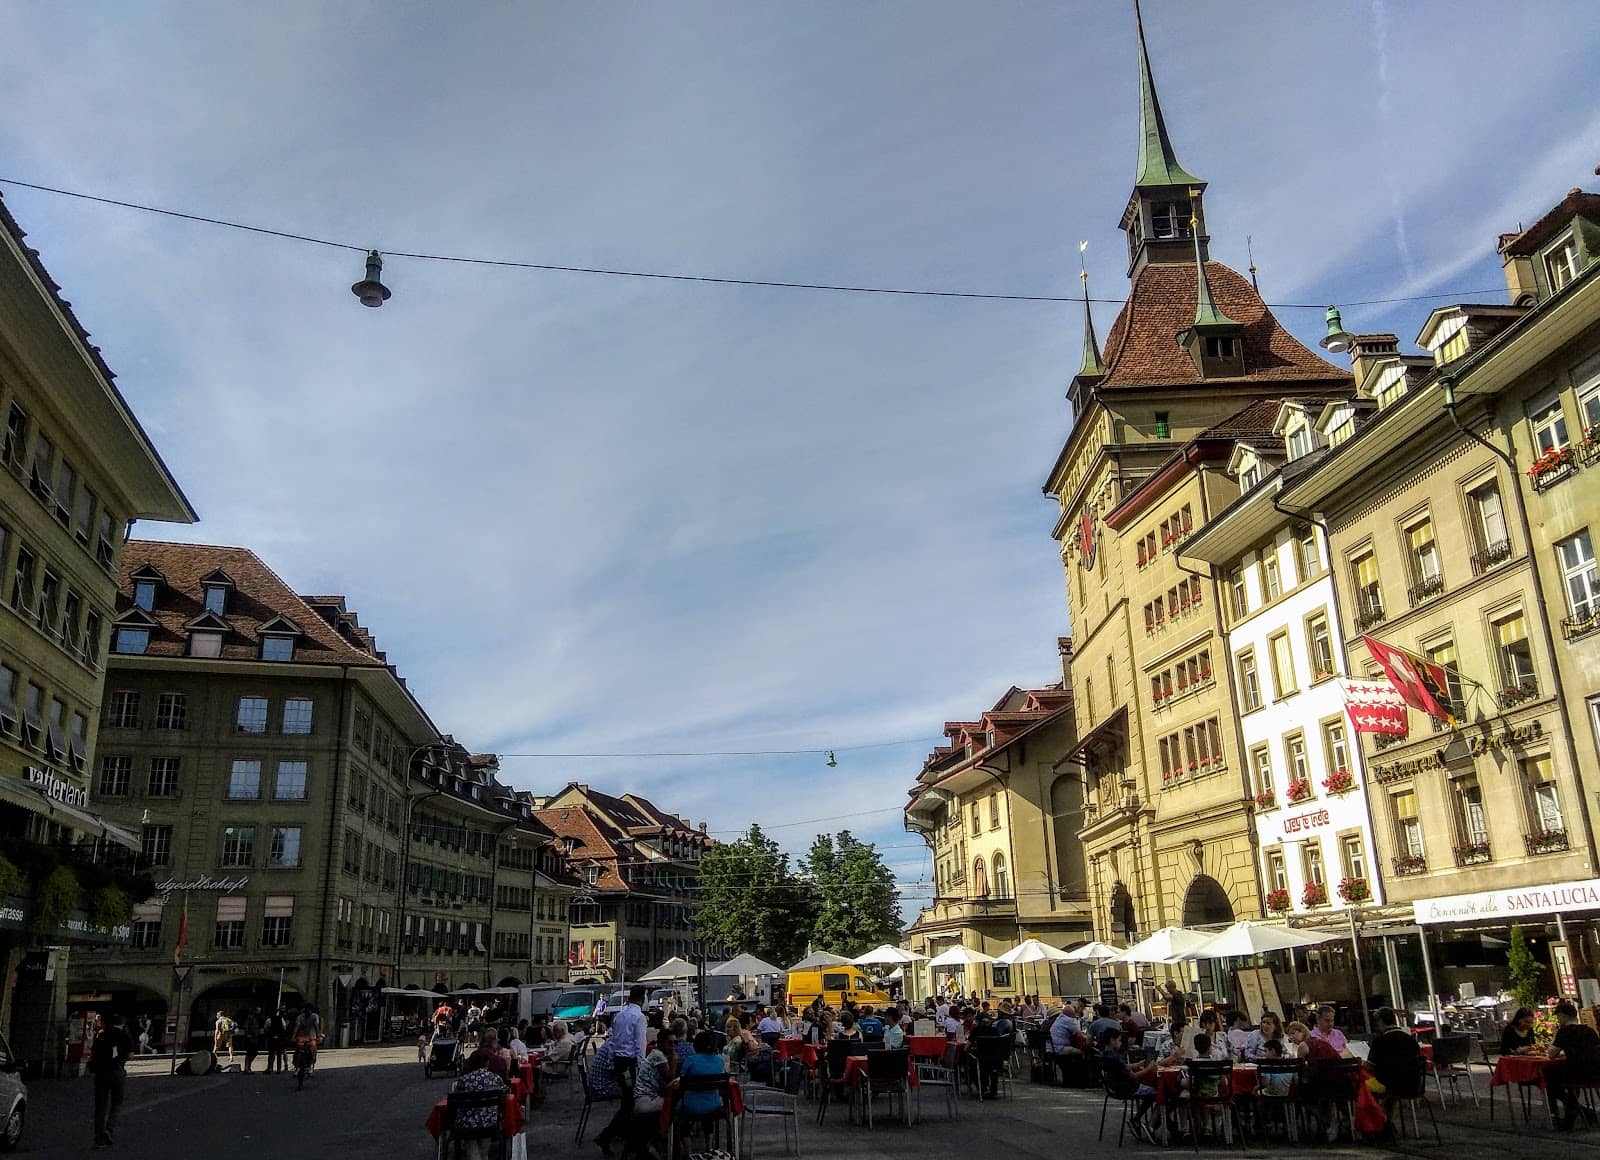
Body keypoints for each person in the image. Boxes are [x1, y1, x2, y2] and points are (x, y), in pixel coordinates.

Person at [595, 985, 648, 1157]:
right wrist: (642, 1068)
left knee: (628, 1102)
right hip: (631, 1063)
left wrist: (612, 1062)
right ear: (643, 998)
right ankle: (611, 1136)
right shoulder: (639, 1017)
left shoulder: (619, 1016)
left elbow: (613, 1041)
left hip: (619, 1062)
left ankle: (624, 1137)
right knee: (631, 1103)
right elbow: (640, 1045)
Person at [1547, 999, 1600, 1130]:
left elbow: (1551, 1053)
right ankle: (1578, 1111)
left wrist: (1555, 1035)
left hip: (1575, 1073)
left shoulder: (1564, 1032)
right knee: (1569, 1082)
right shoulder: (1589, 1030)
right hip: (1595, 1072)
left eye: (1558, 1016)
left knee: (1550, 1081)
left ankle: (1572, 1112)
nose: (1558, 1020)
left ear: (1563, 1016)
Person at [1098, 1026, 1158, 1142]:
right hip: (1128, 1088)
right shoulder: (1116, 1057)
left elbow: (1124, 1067)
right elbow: (1134, 1076)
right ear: (1112, 1040)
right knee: (1159, 1093)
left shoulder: (1105, 1055)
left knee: (1152, 1091)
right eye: (1119, 1040)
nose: (1120, 1043)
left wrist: (1137, 1064)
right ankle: (1143, 1121)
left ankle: (1140, 1120)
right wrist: (1149, 1068)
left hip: (1114, 1087)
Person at [1364, 1007, 1421, 1123]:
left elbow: (1370, 1066)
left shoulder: (1380, 1041)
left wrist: (1362, 1063)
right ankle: (1388, 1121)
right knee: (1393, 1086)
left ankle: (1375, 1122)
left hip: (1389, 1084)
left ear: (1380, 1022)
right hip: (1413, 1084)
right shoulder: (1411, 1040)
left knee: (1363, 1087)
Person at [90, 1013, 133, 1149]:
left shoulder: (101, 1035)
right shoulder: (125, 1035)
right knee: (117, 1103)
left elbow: (94, 1054)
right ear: (121, 1023)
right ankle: (109, 1129)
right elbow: (130, 1056)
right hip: (117, 1072)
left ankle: (99, 1139)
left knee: (100, 1106)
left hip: (101, 1073)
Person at [292, 1004, 322, 1071]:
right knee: (299, 1049)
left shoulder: (314, 1016)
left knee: (313, 1049)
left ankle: (311, 1064)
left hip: (311, 1036)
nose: (308, 1012)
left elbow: (316, 1026)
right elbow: (297, 1027)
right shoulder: (300, 1017)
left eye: (309, 1010)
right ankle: (297, 1066)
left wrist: (318, 1037)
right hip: (302, 1036)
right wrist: (293, 1036)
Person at [241, 1007, 262, 1073]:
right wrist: (247, 1034)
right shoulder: (250, 1017)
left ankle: (248, 1067)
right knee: (249, 1053)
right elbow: (246, 1026)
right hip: (250, 1037)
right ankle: (247, 1068)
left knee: (254, 1053)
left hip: (255, 1037)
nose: (259, 1012)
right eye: (258, 1011)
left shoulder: (257, 1018)